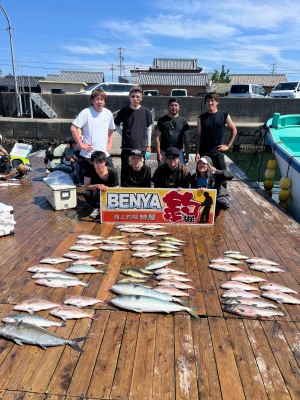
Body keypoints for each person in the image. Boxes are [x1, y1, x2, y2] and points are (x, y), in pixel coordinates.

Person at [70, 88, 115, 176]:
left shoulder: (108, 113)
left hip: (104, 153)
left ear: (104, 101)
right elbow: (73, 128)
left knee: (111, 174)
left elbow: (111, 129)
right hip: (88, 155)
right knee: (89, 180)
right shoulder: (86, 112)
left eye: (102, 99)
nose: (100, 102)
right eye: (97, 99)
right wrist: (81, 144)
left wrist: (109, 143)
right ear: (92, 100)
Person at [195, 92, 237, 171]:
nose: (210, 103)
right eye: (208, 101)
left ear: (217, 102)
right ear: (205, 103)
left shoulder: (224, 115)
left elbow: (234, 130)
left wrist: (228, 145)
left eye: (212, 101)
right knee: (203, 175)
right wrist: (197, 152)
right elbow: (198, 136)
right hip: (204, 152)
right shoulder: (201, 118)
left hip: (218, 151)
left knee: (222, 175)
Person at [114, 85, 152, 168]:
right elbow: (115, 124)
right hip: (126, 148)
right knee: (126, 172)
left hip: (140, 148)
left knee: (140, 172)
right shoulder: (123, 111)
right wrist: (123, 134)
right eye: (133, 96)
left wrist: (148, 145)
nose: (135, 98)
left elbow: (149, 129)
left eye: (137, 96)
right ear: (129, 98)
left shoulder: (146, 112)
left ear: (141, 98)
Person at [84, 150, 119, 219]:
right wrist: (97, 185)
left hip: (110, 194)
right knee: (87, 194)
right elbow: (85, 187)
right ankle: (97, 207)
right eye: (96, 162)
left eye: (101, 162)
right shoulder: (89, 169)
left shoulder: (113, 172)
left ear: (105, 162)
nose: (99, 165)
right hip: (96, 192)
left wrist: (107, 189)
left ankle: (106, 207)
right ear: (93, 162)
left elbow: (117, 189)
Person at [156, 98, 190, 165]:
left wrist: (187, 154)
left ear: (179, 107)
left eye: (176, 105)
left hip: (179, 152)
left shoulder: (183, 121)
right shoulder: (162, 120)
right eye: (172, 105)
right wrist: (158, 153)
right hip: (164, 152)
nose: (174, 107)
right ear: (168, 107)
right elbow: (157, 138)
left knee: (180, 173)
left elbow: (186, 139)